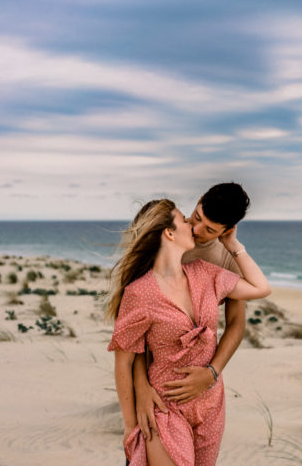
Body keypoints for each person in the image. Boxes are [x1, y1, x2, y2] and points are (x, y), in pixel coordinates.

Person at [106, 198, 271, 466]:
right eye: (186, 219)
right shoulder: (139, 292)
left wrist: (233, 246)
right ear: (169, 232)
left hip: (210, 405)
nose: (192, 227)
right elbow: (123, 360)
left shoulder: (206, 272)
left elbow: (261, 288)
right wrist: (130, 425)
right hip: (165, 404)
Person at [133, 183, 250, 442]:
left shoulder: (228, 259)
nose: (197, 230)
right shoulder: (166, 236)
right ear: (198, 200)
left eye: (210, 230)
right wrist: (140, 386)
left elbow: (236, 324)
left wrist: (212, 373)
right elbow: (133, 328)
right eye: (197, 217)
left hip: (203, 392)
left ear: (227, 230)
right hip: (154, 383)